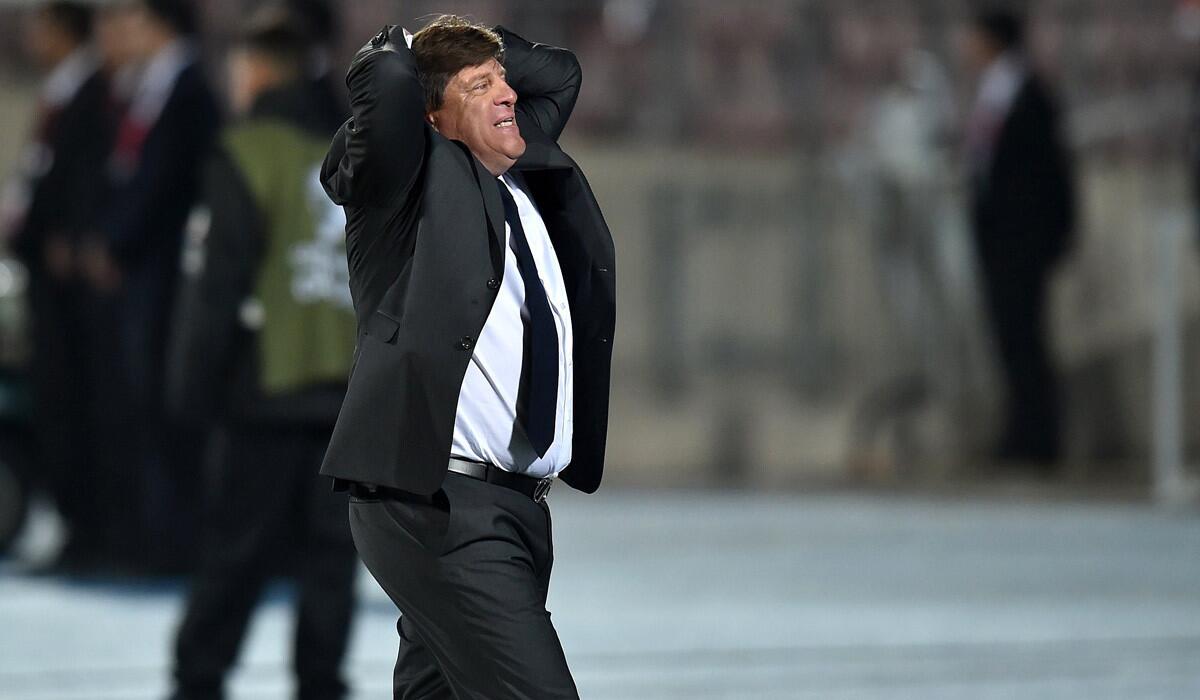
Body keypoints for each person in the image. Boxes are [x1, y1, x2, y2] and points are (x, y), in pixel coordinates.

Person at [320, 15, 615, 698]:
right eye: (481, 86)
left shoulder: (521, 168)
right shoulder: (405, 187)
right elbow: (391, 81)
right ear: (430, 117)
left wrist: (474, 54)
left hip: (515, 510)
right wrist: (418, 45)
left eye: (503, 81)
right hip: (440, 506)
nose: (508, 94)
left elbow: (560, 72)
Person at [164, 12, 359, 698]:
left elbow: (218, 285)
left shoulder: (246, 152)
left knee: (236, 553)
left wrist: (190, 391)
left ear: (259, 71)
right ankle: (321, 684)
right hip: (349, 395)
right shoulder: (361, 154)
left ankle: (200, 679)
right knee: (331, 561)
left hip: (264, 387)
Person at [82, 0, 220, 571]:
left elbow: (163, 179)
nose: (118, 30)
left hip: (164, 273)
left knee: (161, 402)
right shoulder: (153, 84)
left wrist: (116, 241)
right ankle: (146, 534)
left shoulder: (189, 87)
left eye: (128, 17)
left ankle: (170, 542)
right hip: (141, 268)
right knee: (136, 403)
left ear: (159, 20)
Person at [0, 1, 112, 571]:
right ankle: (74, 528)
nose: (30, 36)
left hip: (66, 280)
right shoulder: (64, 89)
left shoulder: (93, 89)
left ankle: (86, 530)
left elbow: (80, 177)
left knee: (72, 405)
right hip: (47, 269)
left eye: (40, 27)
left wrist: (65, 232)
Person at [963, 9, 1075, 468]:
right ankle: (1019, 433)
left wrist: (1056, 235)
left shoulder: (1031, 94)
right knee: (1008, 339)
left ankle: (1038, 439)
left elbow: (1053, 174)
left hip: (1022, 243)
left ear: (992, 40)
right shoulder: (992, 92)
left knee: (1027, 339)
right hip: (996, 241)